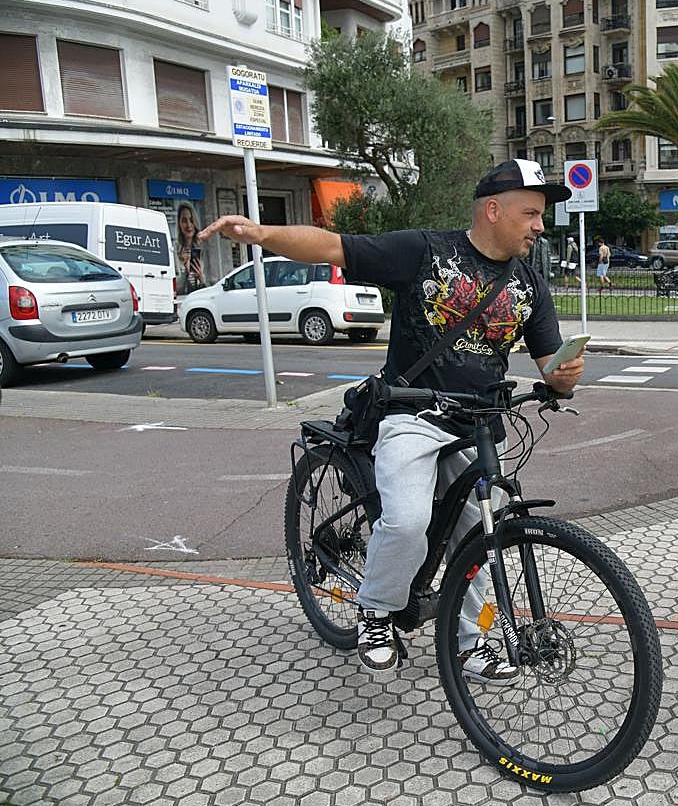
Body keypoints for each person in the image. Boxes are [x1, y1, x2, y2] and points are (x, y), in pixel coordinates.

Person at [198, 159, 585, 679]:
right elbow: (333, 246)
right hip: (412, 415)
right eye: (531, 213)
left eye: (541, 216)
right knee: (407, 522)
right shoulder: (425, 252)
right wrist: (262, 232)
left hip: (478, 426)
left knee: (480, 535)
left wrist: (563, 377)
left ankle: (472, 642)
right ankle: (375, 612)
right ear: (494, 210)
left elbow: (551, 367)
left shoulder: (529, 284)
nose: (540, 226)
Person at [176, 202, 205, 293]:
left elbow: (211, 286)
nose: (189, 225)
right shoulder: (174, 250)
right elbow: (176, 289)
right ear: (179, 224)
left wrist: (201, 277)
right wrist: (186, 272)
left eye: (191, 220)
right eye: (184, 221)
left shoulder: (202, 249)